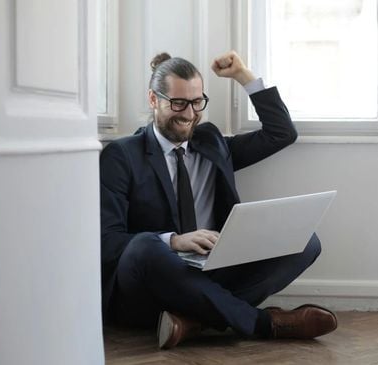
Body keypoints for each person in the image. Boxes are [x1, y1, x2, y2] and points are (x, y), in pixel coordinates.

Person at [99, 50, 337, 349]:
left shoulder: (211, 144)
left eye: (197, 102)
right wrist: (173, 240)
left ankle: (192, 322)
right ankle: (262, 323)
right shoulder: (122, 156)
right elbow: (107, 241)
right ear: (153, 100)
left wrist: (243, 76)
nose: (188, 114)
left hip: (211, 270)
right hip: (152, 282)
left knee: (305, 240)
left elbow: (281, 133)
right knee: (145, 247)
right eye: (178, 103)